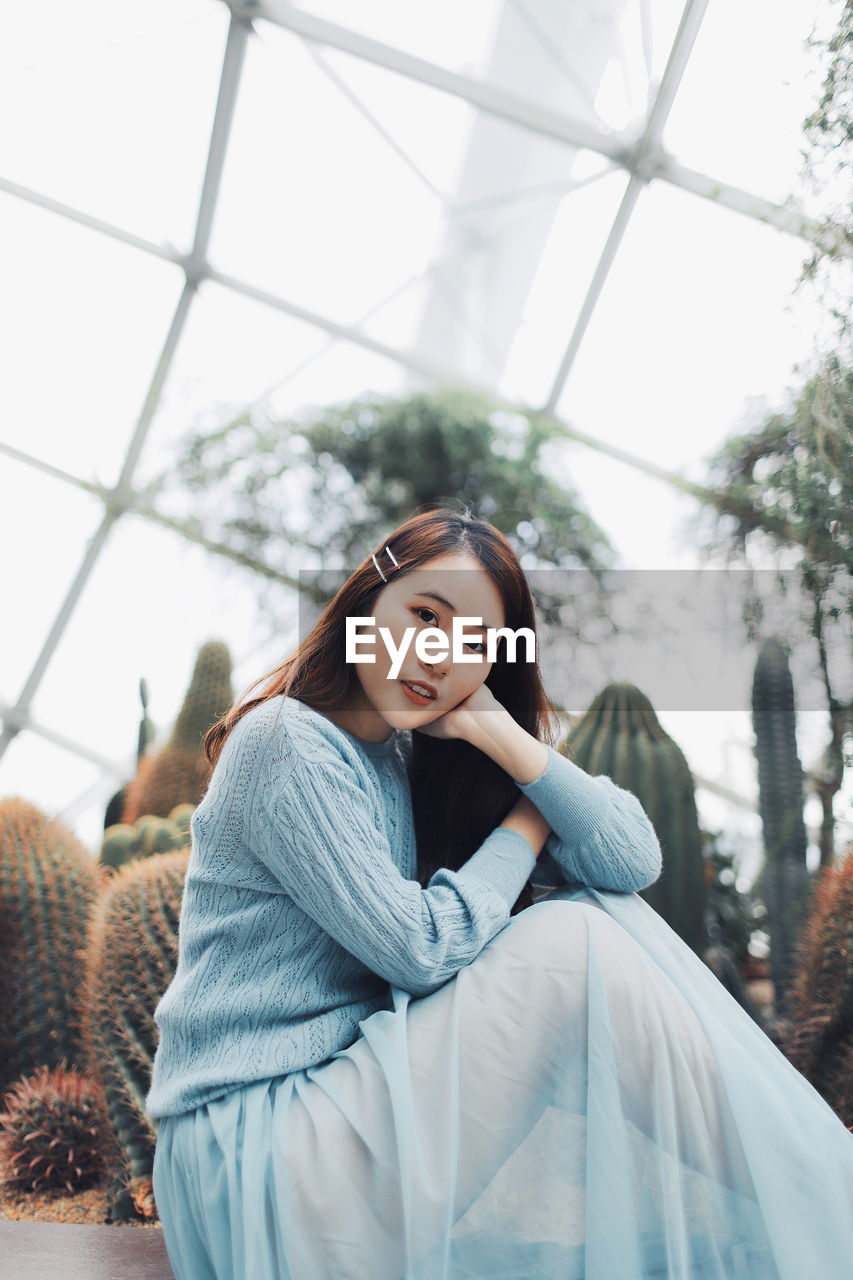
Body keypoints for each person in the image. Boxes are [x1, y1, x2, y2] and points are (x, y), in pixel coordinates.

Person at [148, 506, 853, 1279]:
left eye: (475, 645)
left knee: (594, 916)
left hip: (329, 1128)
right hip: (257, 1155)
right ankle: (806, 1191)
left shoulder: (404, 757)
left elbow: (632, 858)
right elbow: (418, 950)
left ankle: (806, 1193)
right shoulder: (286, 740)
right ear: (364, 602)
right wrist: (524, 825)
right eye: (424, 615)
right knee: (569, 942)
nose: (437, 656)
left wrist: (504, 740)